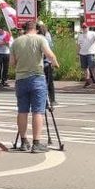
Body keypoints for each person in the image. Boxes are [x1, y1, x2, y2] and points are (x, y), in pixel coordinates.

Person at [10, 20, 58, 152]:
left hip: (21, 79)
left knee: (22, 111)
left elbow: (12, 63)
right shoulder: (40, 39)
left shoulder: (16, 42)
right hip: (37, 77)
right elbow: (50, 55)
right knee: (38, 111)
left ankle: (24, 141)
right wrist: (55, 63)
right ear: (36, 29)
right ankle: (36, 142)